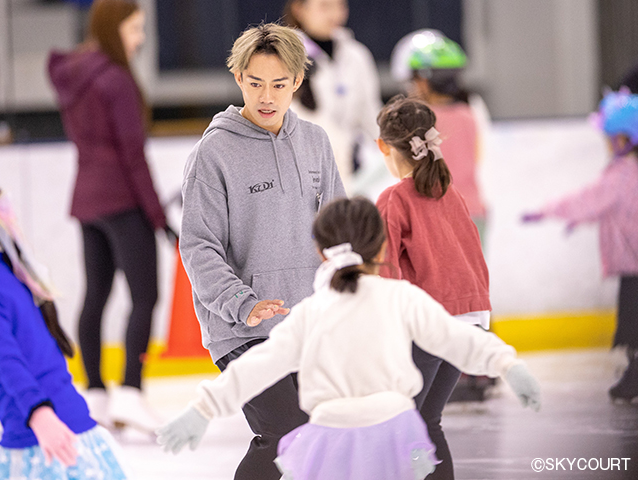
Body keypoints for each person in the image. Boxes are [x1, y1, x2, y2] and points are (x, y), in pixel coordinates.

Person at [157, 196, 541, 480]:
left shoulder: (312, 312)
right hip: (395, 434)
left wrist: (203, 409)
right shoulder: (401, 298)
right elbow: (458, 339)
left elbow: (259, 365)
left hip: (329, 442)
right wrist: (507, 364)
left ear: (320, 252)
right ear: (382, 247)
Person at [178, 23, 346, 480]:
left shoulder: (315, 142)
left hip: (305, 324)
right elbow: (197, 245)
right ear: (239, 79)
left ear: (297, 81)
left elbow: (338, 230)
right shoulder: (214, 153)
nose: (266, 96)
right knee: (286, 432)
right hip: (242, 328)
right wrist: (242, 304)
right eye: (255, 84)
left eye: (278, 84)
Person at [47, 0, 171, 433]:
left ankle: (96, 392)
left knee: (96, 293)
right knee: (145, 294)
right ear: (112, 27)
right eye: (134, 29)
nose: (138, 39)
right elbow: (133, 156)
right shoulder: (115, 80)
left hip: (87, 197)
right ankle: (131, 392)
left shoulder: (77, 74)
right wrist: (158, 218)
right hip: (121, 199)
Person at [375, 95, 492, 480]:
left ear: (384, 148)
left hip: (429, 326)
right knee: (426, 419)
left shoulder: (393, 199)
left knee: (401, 423)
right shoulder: (450, 192)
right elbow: (474, 258)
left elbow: (384, 269)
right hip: (468, 321)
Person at [0, 188, 132, 479]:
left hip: (63, 428)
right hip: (44, 435)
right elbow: (4, 359)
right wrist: (39, 413)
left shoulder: (11, 271)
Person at [522, 90, 638, 402]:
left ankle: (634, 374)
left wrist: (547, 211)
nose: (607, 145)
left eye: (610, 138)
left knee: (632, 321)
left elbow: (589, 200)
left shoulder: (623, 172)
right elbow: (611, 208)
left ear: (625, 140)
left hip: (634, 266)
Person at [390, 29, 489, 241]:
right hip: (474, 210)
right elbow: (478, 158)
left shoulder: (418, 119)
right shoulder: (469, 114)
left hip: (434, 215)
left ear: (423, 81)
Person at [283, 0, 383, 193]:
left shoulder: (357, 55)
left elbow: (372, 117)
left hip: (354, 166)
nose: (335, 15)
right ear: (299, 9)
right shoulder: (283, 55)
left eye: (340, 6)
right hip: (302, 167)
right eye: (324, 6)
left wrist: (388, 152)